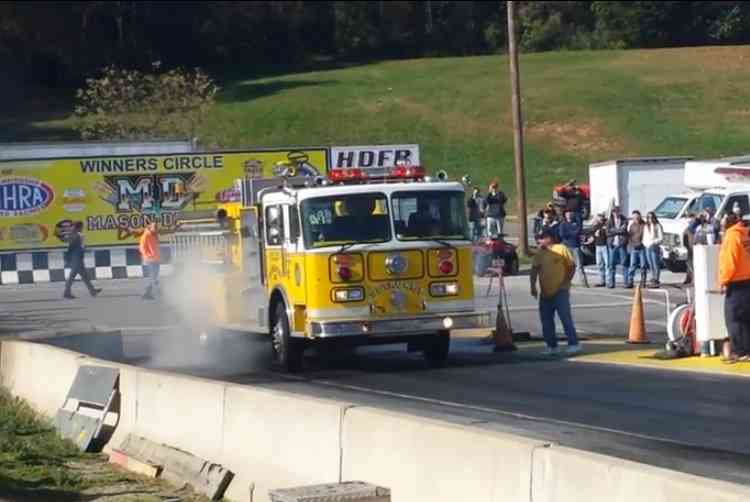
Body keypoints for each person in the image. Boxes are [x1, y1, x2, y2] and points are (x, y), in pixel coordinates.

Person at [530, 228, 580, 355]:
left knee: (565, 318)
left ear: (549, 238)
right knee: (546, 320)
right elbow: (534, 270)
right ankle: (551, 346)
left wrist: (566, 282)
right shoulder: (539, 253)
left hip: (560, 290)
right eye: (539, 238)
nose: (539, 240)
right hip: (545, 292)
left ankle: (574, 344)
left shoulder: (561, 249)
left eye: (542, 238)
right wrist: (533, 286)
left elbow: (571, 266)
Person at [718, 213, 750, 364]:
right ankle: (747, 350)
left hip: (736, 283)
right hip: (748, 281)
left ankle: (739, 351)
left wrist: (723, 281)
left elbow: (730, 262)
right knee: (746, 319)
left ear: (727, 224)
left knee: (733, 319)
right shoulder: (745, 235)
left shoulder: (731, 237)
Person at [59, 221, 102, 299]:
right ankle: (67, 293)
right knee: (72, 277)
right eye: (82, 227)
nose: (83, 228)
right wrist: (87, 250)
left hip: (74, 258)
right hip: (77, 259)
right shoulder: (79, 235)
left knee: (84, 276)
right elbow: (81, 247)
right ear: (79, 227)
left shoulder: (72, 235)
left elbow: (70, 246)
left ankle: (92, 290)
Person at [559, 209, 589, 287]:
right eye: (567, 213)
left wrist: (570, 233)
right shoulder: (563, 224)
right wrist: (573, 233)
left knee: (579, 266)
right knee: (567, 266)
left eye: (570, 213)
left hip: (576, 246)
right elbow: (562, 235)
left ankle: (584, 283)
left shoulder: (577, 223)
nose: (568, 214)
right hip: (567, 247)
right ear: (565, 215)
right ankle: (566, 282)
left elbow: (578, 231)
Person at [606, 208, 629, 288]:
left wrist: (614, 230)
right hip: (613, 245)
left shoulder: (624, 220)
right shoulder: (609, 221)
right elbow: (608, 232)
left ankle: (626, 283)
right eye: (614, 212)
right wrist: (619, 230)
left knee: (624, 264)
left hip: (621, 245)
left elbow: (624, 230)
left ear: (619, 212)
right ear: (612, 213)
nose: (616, 213)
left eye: (617, 212)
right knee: (611, 265)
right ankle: (611, 283)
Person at [626, 210, 647, 289]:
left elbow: (646, 236)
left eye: (637, 217)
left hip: (642, 248)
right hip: (634, 248)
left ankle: (643, 281)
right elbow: (629, 236)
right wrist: (631, 245)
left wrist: (642, 243)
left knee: (643, 265)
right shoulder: (632, 226)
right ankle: (630, 281)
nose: (636, 218)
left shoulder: (644, 225)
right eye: (634, 217)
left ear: (640, 216)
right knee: (632, 265)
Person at [643, 211, 664, 287]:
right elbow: (645, 237)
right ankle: (652, 277)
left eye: (651, 217)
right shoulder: (646, 226)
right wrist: (645, 244)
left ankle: (656, 279)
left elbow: (661, 238)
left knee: (655, 263)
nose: (650, 219)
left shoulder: (657, 226)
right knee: (650, 263)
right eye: (648, 217)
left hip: (654, 246)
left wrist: (654, 242)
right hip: (647, 247)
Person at [589, 212, 609, 287]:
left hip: (605, 246)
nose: (600, 218)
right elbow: (592, 233)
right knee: (599, 264)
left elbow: (607, 233)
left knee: (607, 264)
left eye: (601, 216)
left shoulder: (606, 224)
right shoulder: (596, 225)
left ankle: (608, 281)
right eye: (599, 216)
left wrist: (602, 230)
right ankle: (602, 281)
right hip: (598, 246)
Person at [683, 213, 700, 285]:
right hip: (690, 248)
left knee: (693, 264)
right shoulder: (688, 229)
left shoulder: (695, 228)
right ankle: (689, 278)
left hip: (694, 248)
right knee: (690, 264)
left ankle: (692, 279)